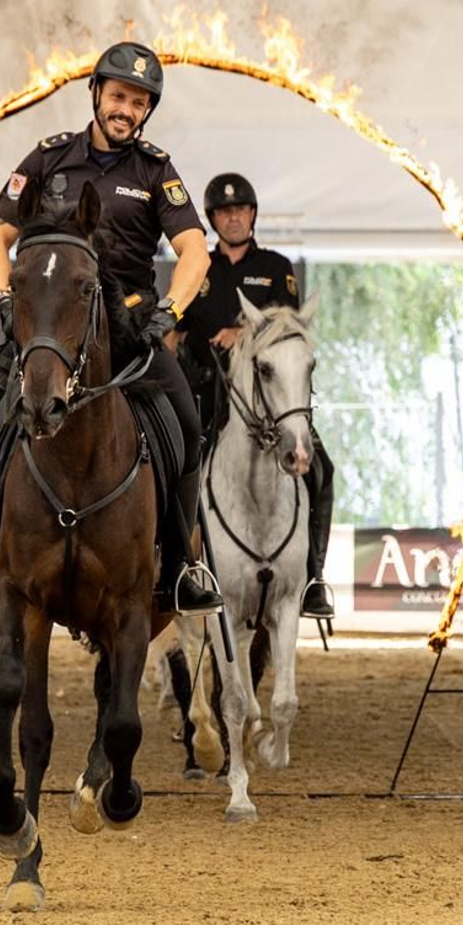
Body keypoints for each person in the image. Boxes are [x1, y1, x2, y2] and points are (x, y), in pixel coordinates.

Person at [0, 41, 223, 618]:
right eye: (119, 97)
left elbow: (195, 250)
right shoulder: (49, 158)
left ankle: (180, 568)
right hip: (49, 328)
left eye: (139, 103)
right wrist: (3, 299)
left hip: (127, 332)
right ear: (96, 94)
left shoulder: (155, 171)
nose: (126, 110)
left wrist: (168, 312)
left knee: (188, 426)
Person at [178, 172, 337, 620]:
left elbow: (288, 328)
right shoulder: (197, 268)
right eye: (225, 211)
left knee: (321, 470)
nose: (233, 217)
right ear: (212, 219)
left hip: (268, 401)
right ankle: (179, 570)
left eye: (241, 210)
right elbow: (177, 328)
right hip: (207, 394)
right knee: (176, 467)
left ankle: (312, 577)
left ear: (252, 215)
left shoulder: (276, 267)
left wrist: (242, 332)